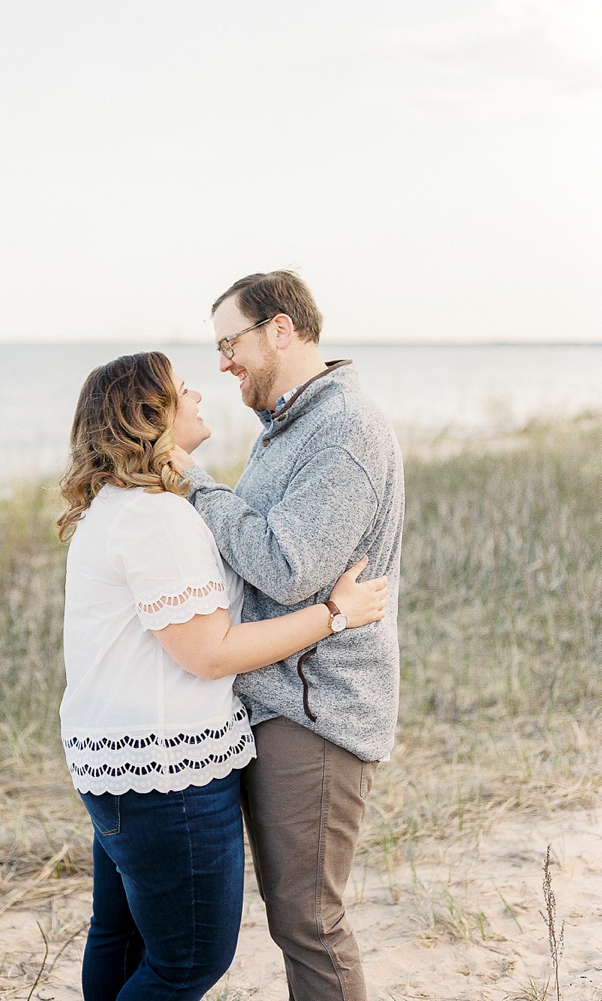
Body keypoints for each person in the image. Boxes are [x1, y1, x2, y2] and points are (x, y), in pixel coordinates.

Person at [59, 349, 388, 1001]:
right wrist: (333, 615)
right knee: (187, 962)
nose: (200, 396)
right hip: (167, 771)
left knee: (119, 937)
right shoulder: (156, 517)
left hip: (117, 762)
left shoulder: (113, 505)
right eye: (185, 390)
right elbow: (210, 651)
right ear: (152, 413)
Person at [171, 272, 404, 1001]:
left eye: (227, 342)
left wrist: (195, 484)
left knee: (309, 921)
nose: (221, 362)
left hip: (318, 710)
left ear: (279, 329)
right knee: (294, 917)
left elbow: (284, 563)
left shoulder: (345, 430)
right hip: (279, 700)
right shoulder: (291, 425)